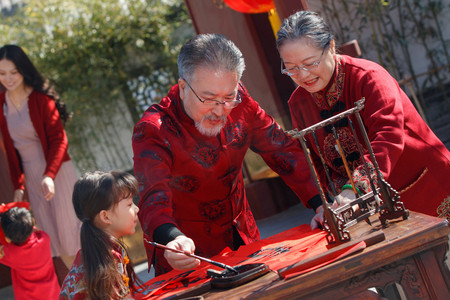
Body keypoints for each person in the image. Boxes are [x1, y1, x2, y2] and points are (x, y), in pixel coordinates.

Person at [132, 33, 322, 276]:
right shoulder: (153, 129)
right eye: (209, 99)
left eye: (228, 98)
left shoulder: (240, 100)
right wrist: (171, 238)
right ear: (182, 87)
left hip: (244, 237)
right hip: (186, 252)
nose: (219, 110)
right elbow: (153, 196)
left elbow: (281, 149)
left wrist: (320, 202)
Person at [276, 11, 450, 229]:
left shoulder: (369, 77)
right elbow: (312, 160)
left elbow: (387, 136)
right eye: (291, 68)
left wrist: (354, 189)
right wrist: (327, 204)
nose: (302, 75)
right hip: (370, 207)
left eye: (310, 63)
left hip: (425, 187)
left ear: (330, 46)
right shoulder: (298, 103)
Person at [0, 44, 81, 269]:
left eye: (12, 72)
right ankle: (83, 290)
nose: (7, 78)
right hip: (34, 180)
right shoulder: (1, 106)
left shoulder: (40, 99)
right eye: (2, 73)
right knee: (55, 241)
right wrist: (19, 185)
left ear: (23, 70)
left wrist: (49, 175)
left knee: (73, 236)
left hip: (57, 173)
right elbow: (11, 151)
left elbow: (59, 140)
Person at [59, 171, 141, 300]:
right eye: (129, 204)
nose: (137, 209)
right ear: (105, 216)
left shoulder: (90, 255)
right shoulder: (108, 258)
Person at [0, 204, 60, 300]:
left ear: (7, 238)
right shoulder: (44, 238)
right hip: (51, 293)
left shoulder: (11, 253)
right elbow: (34, 228)